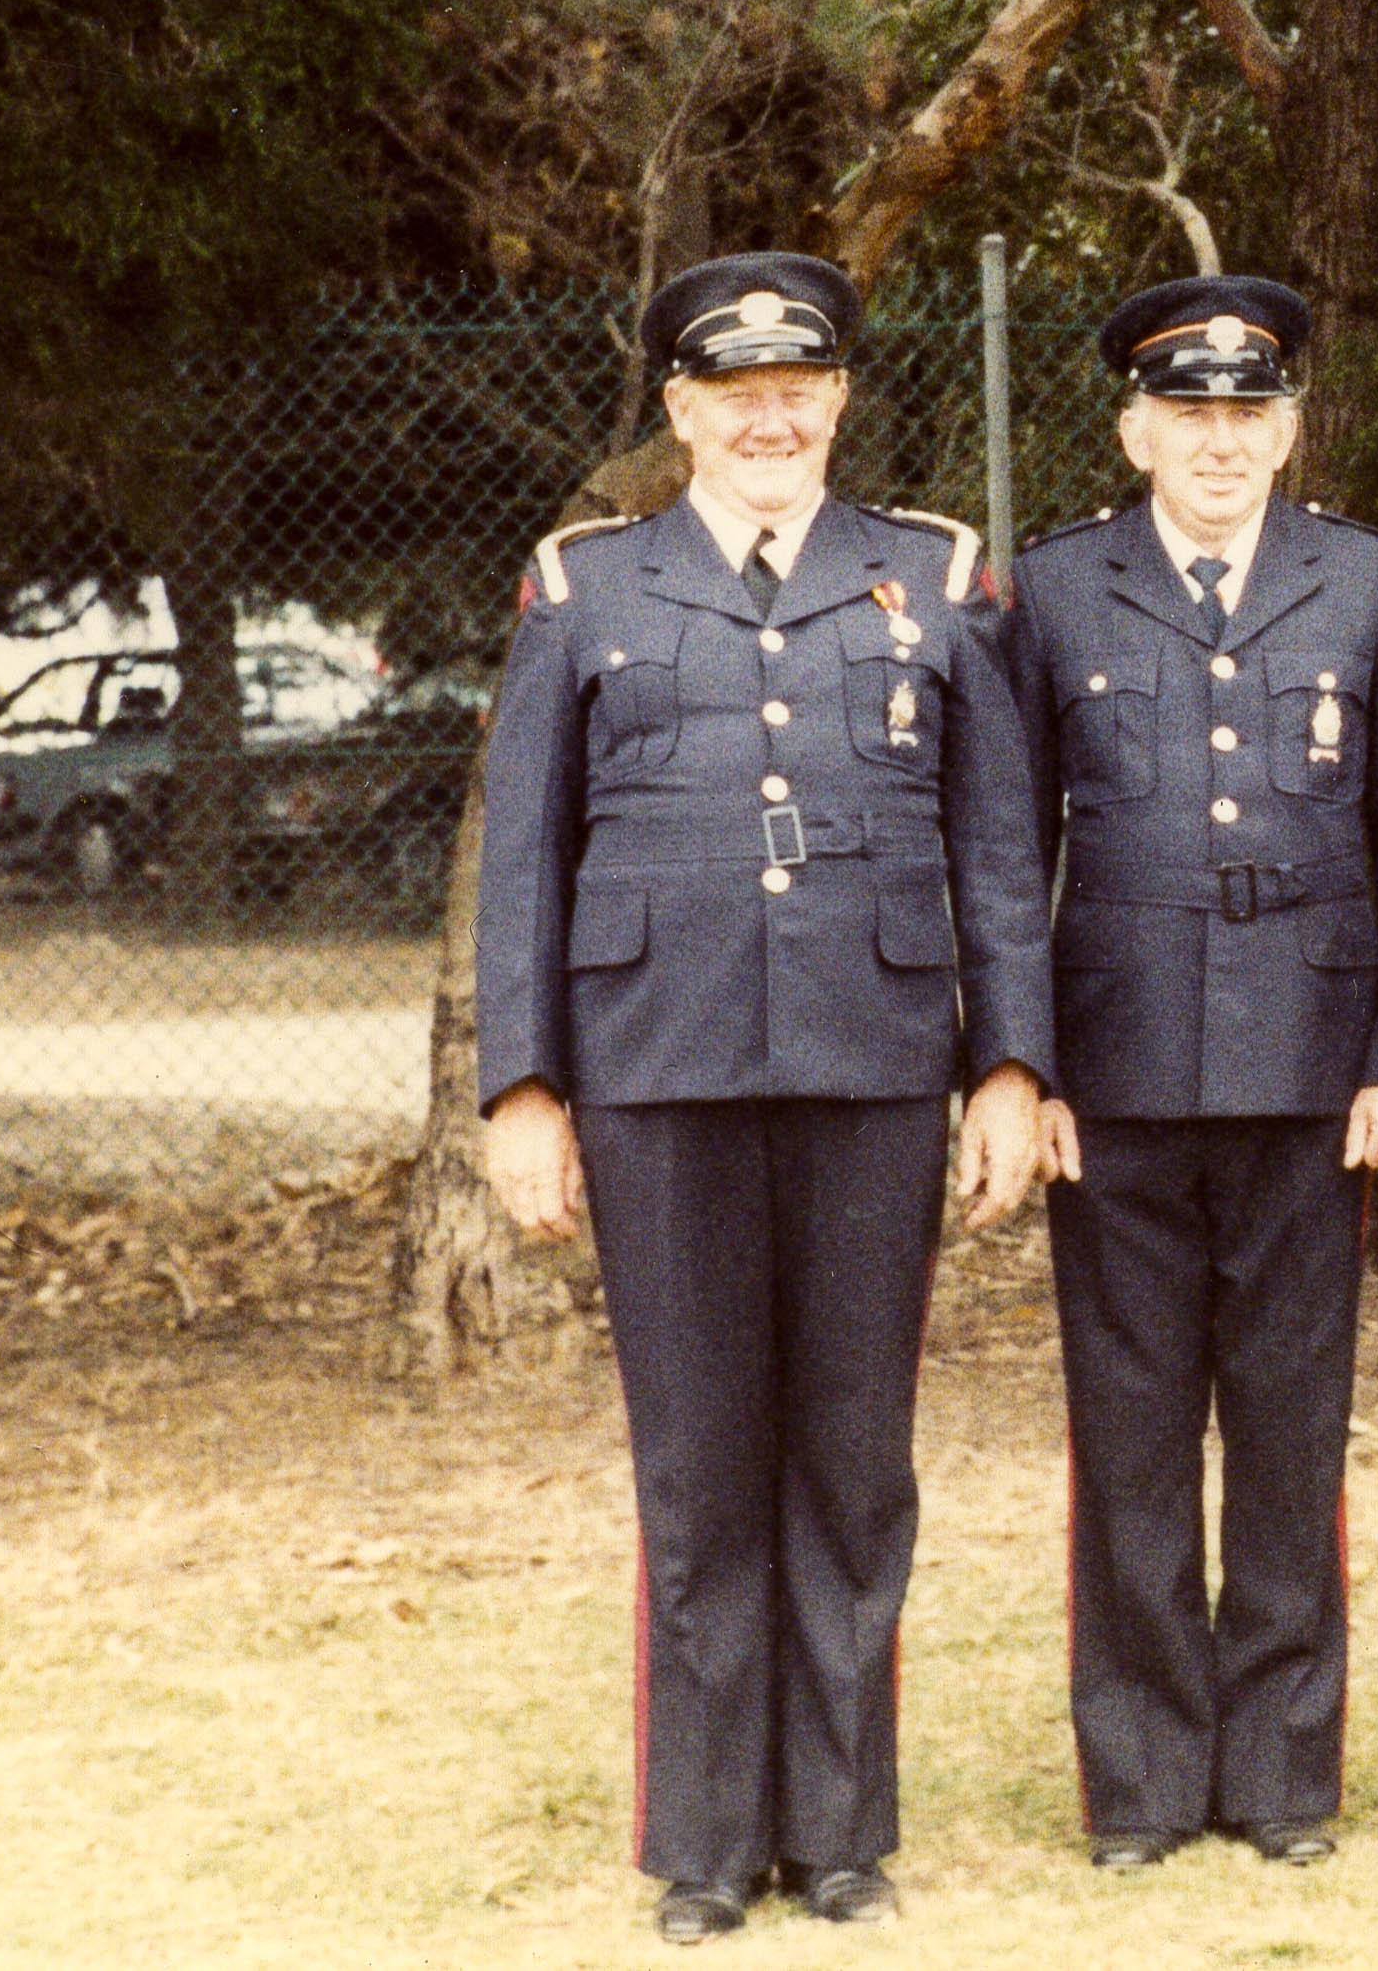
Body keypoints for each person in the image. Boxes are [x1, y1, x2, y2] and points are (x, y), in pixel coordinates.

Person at [474, 249, 1057, 1945]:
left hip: (875, 1070)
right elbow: (525, 859)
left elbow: (998, 852)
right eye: (736, 397)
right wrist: (526, 1089)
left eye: (798, 394)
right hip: (659, 1072)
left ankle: (846, 1825)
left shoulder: (934, 578)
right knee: (702, 1461)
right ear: (680, 415)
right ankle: (709, 1837)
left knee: (855, 1461)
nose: (770, 420)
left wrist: (1006, 1063)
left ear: (839, 407)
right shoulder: (589, 587)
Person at [999, 275, 1378, 1870]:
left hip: (1313, 1076)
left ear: (1286, 429)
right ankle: (1138, 1779)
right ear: (1135, 427)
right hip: (1113, 1081)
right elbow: (1008, 849)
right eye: (1186, 415)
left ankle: (1279, 1772)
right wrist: (1020, 1064)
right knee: (1128, 1434)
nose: (1217, 443)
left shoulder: (1363, 581)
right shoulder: (1055, 590)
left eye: (1246, 415)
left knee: (1288, 1431)